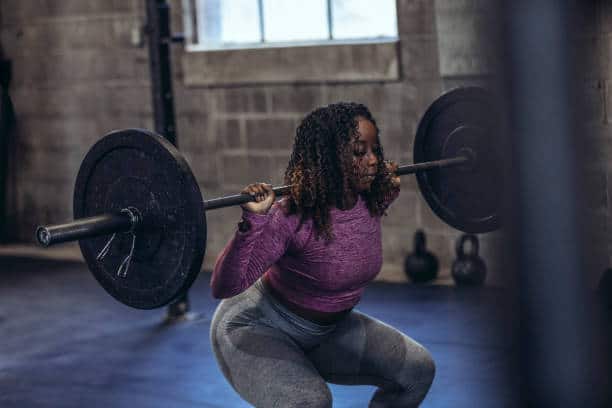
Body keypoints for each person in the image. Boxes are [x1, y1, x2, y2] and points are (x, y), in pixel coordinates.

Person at [209, 102, 435, 407]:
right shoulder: (290, 217)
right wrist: (253, 221)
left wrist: (387, 187)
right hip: (256, 326)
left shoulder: (370, 200)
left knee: (417, 371)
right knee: (310, 403)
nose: (373, 160)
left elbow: (351, 227)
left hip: (327, 332)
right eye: (359, 152)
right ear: (330, 157)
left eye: (375, 149)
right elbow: (223, 286)